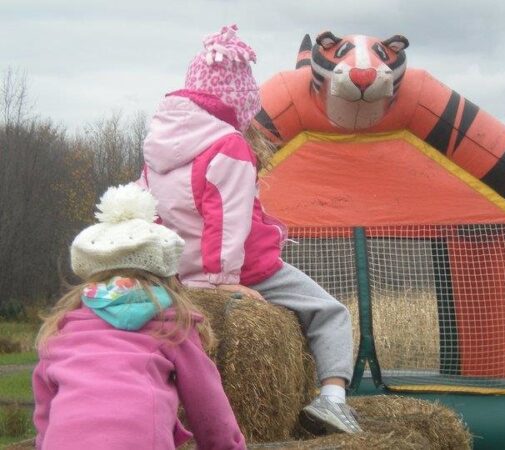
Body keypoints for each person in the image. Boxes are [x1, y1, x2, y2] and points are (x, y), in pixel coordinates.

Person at [138, 24, 362, 434]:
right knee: (331, 313)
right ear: (238, 101)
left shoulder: (156, 149)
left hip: (177, 275)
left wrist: (164, 275)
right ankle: (333, 400)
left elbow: (149, 212)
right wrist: (221, 282)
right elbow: (228, 220)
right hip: (244, 270)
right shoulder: (229, 145)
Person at [32, 183, 246, 450]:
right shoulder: (170, 324)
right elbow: (209, 408)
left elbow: (45, 415)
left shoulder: (64, 329)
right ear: (167, 274)